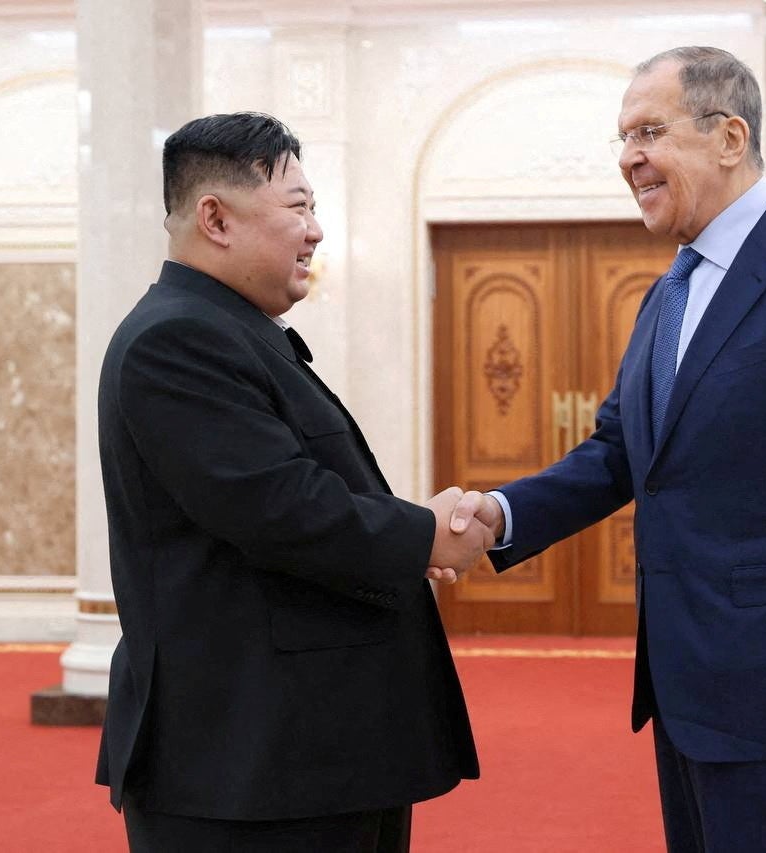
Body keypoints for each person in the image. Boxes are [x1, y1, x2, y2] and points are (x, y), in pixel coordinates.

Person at [452, 47, 766, 851]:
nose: (629, 158)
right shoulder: (668, 289)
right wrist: (495, 516)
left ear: (729, 137)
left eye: (649, 131)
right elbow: (617, 454)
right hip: (683, 688)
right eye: (622, 138)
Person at [94, 111, 488, 852]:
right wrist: (425, 534)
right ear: (215, 217)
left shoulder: (233, 331)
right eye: (299, 207)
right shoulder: (175, 340)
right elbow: (282, 507)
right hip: (247, 769)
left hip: (307, 756)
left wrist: (413, 532)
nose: (316, 231)